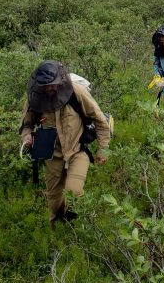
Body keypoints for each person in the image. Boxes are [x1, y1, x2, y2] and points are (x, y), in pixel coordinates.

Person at [20, 61, 110, 224]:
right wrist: (27, 136)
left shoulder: (76, 92)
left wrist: (103, 149)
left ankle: (75, 224)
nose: (49, 89)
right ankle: (58, 230)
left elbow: (100, 120)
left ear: (60, 80)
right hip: (51, 154)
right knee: (54, 200)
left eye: (52, 85)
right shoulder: (35, 98)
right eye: (45, 86)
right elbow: (26, 125)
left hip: (77, 150)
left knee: (74, 191)